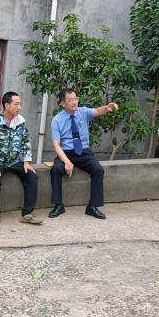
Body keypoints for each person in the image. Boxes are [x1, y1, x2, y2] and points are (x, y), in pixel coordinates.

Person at [49, 88, 118, 219]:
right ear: (63, 103)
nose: (74, 102)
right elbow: (56, 145)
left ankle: (92, 207)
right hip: (66, 153)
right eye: (70, 100)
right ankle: (58, 205)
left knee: (98, 170)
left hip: (83, 152)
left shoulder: (83, 112)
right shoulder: (57, 120)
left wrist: (106, 107)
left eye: (75, 99)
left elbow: (97, 111)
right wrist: (67, 162)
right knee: (55, 169)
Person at [0, 91, 42, 225]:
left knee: (32, 177)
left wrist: (27, 161)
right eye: (16, 104)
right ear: (7, 105)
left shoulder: (20, 122)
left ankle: (27, 214)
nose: (19, 107)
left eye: (20, 104)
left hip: (14, 161)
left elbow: (26, 142)